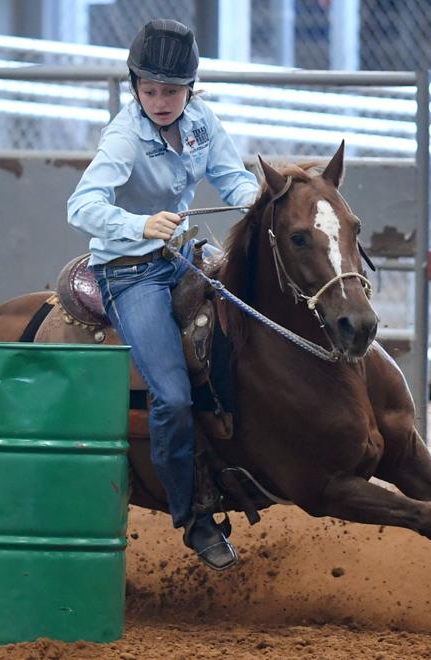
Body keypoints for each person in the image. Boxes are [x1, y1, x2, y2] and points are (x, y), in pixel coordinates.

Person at [67, 19, 259, 571]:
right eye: (148, 90)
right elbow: (80, 207)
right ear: (135, 88)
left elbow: (233, 179)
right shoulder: (124, 135)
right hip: (129, 273)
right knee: (171, 395)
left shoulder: (201, 122)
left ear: (191, 90)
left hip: (182, 257)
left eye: (171, 90)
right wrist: (139, 224)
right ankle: (194, 516)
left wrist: (260, 201)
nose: (159, 101)